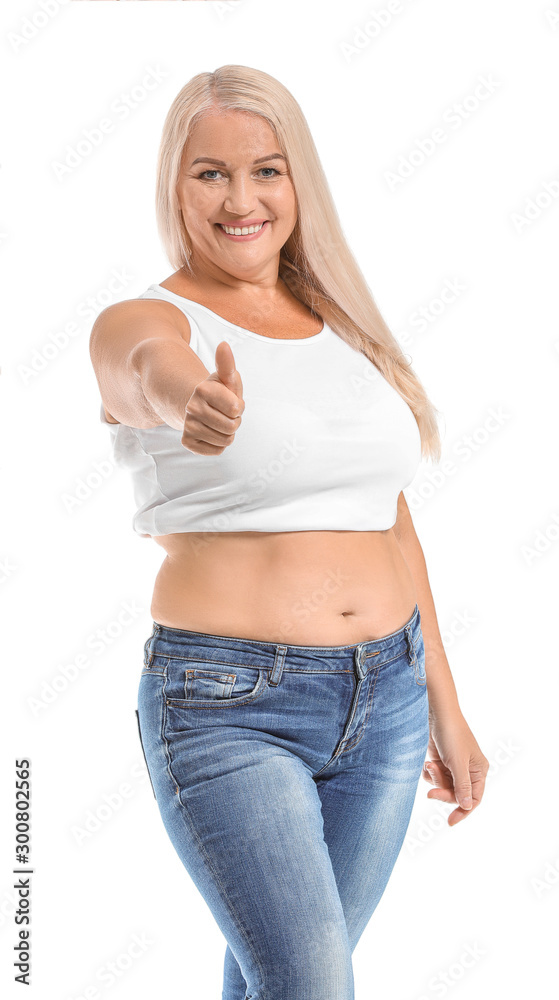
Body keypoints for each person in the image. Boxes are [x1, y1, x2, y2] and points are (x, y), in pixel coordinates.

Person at [89, 64, 489, 1000]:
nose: (241, 199)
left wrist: (445, 704)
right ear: (173, 185)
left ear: (296, 181)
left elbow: (389, 522)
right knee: (310, 987)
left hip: (384, 703)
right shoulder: (147, 319)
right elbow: (144, 370)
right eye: (210, 174)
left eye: (265, 170)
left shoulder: (343, 330)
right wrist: (192, 401)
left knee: (283, 983)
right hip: (229, 707)